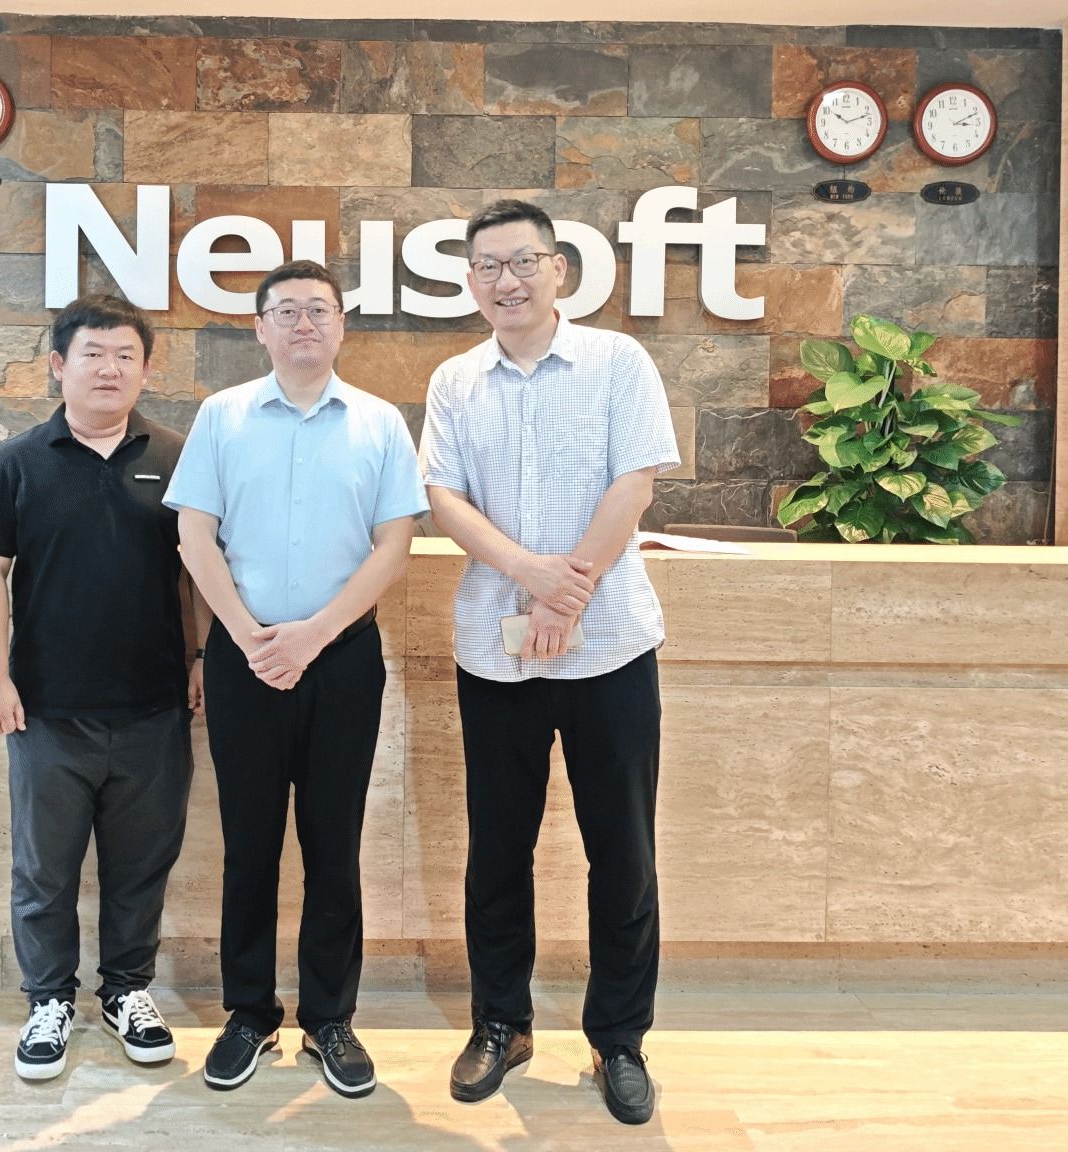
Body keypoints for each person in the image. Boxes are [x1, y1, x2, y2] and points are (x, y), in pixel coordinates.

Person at [419, 199, 679, 1126]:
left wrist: (566, 595)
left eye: (523, 261)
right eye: (488, 266)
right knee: (498, 849)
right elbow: (444, 498)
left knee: (623, 852)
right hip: (497, 656)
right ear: (470, 281)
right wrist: (530, 576)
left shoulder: (617, 362)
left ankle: (620, 1039)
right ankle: (502, 1022)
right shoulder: (455, 381)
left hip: (610, 646)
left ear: (559, 269)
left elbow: (635, 482)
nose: (507, 281)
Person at [163, 260, 427, 1098]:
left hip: (342, 660)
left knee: (332, 844)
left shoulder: (379, 422)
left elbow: (393, 547)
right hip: (245, 658)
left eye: (319, 309)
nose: (303, 323)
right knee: (249, 845)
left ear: (342, 325)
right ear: (260, 328)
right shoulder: (222, 416)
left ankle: (329, 1018)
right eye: (286, 311)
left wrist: (314, 635)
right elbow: (195, 537)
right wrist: (246, 636)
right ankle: (249, 1013)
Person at [0, 294, 203, 1082]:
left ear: (145, 369)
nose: (110, 368)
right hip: (46, 711)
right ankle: (49, 1000)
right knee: (45, 870)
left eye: (126, 355)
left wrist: (203, 658)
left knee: (142, 866)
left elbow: (203, 568)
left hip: (154, 708)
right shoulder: (17, 464)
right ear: (59, 366)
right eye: (93, 354)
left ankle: (128, 991)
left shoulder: (178, 457)